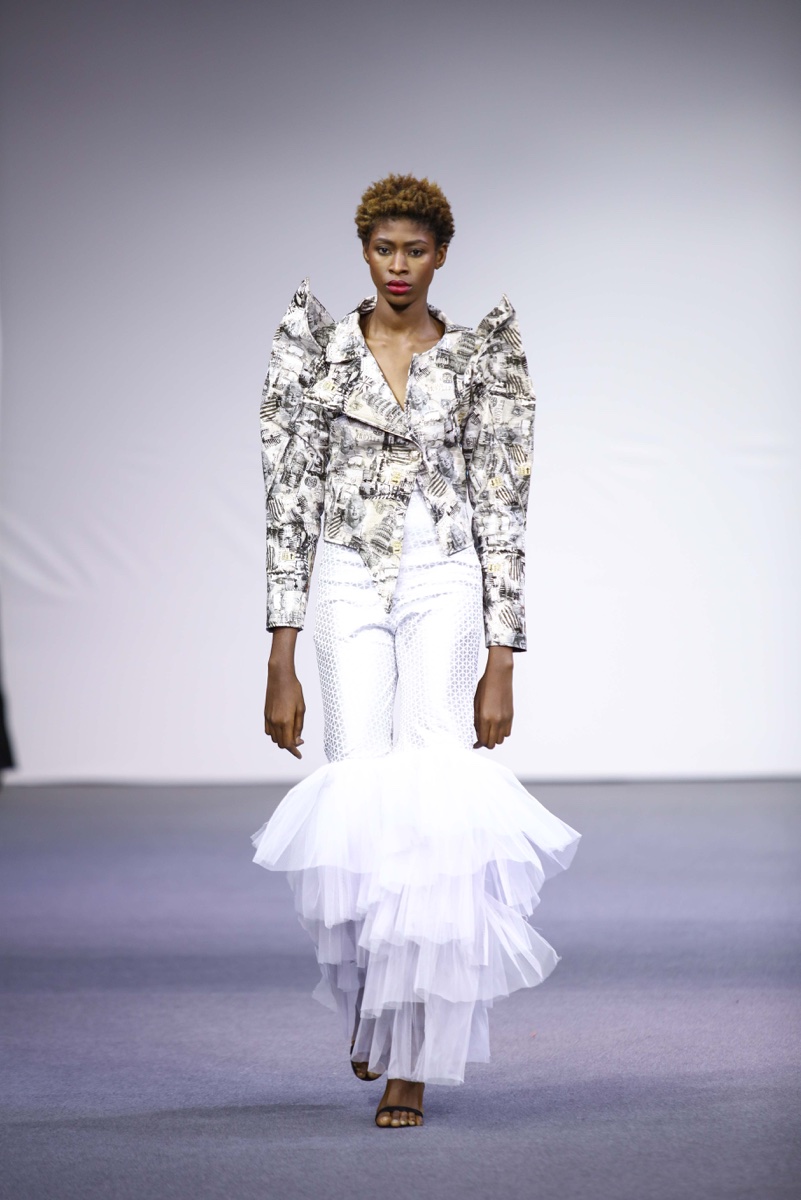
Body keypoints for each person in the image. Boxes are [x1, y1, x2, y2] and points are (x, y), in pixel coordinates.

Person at [251, 174, 580, 1129]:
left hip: (444, 574)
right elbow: (288, 501)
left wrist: (503, 656)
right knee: (355, 791)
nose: (398, 266)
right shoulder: (314, 351)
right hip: (343, 575)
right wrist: (279, 657)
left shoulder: (480, 360)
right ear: (364, 251)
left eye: (415, 250)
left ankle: (412, 1059)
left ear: (441, 256)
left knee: (432, 802)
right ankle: (373, 994)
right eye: (383, 248)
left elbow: (503, 506)